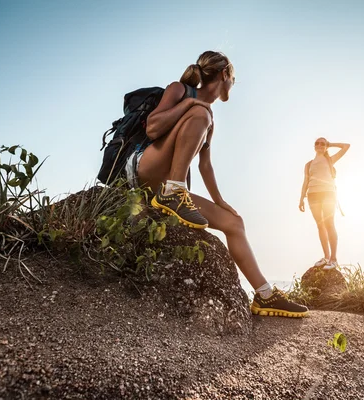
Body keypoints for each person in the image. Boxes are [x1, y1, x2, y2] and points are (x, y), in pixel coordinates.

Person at [128, 50, 308, 318]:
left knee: (235, 223)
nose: (232, 85)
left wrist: (221, 202)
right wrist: (191, 106)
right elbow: (153, 128)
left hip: (164, 188)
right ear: (225, 74)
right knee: (202, 113)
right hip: (143, 168)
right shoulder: (182, 92)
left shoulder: (206, 116)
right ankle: (174, 193)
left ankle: (265, 295)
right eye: (233, 79)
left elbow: (205, 166)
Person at [299, 138, 350, 270]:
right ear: (314, 146)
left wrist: (330, 145)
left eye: (323, 143)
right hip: (312, 195)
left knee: (329, 224)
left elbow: (346, 146)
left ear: (326, 146)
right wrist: (301, 198)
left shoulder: (330, 160)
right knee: (320, 225)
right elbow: (305, 181)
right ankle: (326, 257)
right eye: (317, 143)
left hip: (328, 194)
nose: (320, 145)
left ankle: (334, 259)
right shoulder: (308, 164)